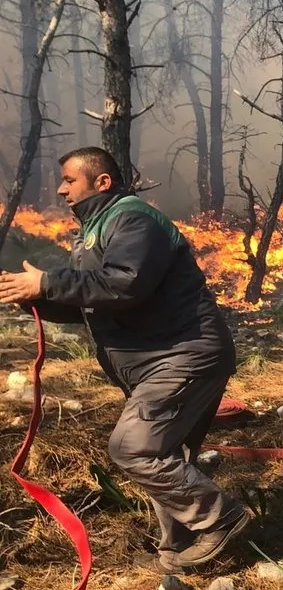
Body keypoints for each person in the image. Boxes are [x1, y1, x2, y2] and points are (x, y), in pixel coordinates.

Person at [0, 147, 250, 573]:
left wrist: (47, 281)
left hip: (183, 353)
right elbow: (92, 302)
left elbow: (124, 285)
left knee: (134, 448)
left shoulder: (132, 218)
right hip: (159, 357)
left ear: (102, 182)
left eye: (69, 180)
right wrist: (33, 297)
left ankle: (221, 518)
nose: (61, 189)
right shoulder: (96, 231)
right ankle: (181, 555)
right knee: (164, 453)